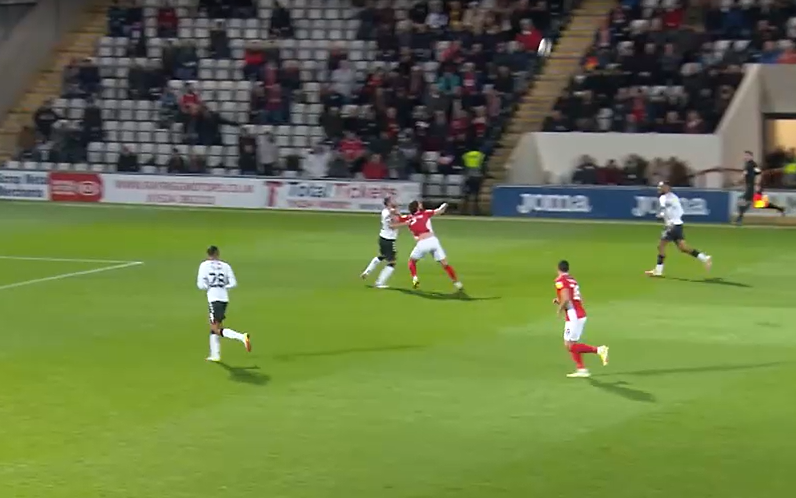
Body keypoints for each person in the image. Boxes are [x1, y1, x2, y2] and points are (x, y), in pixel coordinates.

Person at [553, 260, 609, 378]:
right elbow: (577, 298)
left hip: (574, 316)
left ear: (558, 269)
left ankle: (599, 350)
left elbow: (566, 298)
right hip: (578, 314)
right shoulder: (572, 280)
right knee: (571, 344)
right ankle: (581, 369)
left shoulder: (560, 281)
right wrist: (560, 301)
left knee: (570, 345)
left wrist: (559, 309)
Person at [196, 245, 251, 362]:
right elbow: (233, 283)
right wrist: (223, 287)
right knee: (215, 325)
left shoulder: (204, 265)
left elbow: (201, 285)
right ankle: (215, 355)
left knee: (215, 328)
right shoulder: (226, 266)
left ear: (208, 254)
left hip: (213, 298)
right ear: (218, 253)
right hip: (224, 299)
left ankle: (242, 337)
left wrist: (210, 287)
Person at [645, 182, 712, 277]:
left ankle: (658, 270)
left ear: (667, 187)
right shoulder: (674, 197)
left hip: (672, 226)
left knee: (661, 246)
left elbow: (664, 210)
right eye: (658, 186)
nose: (659, 188)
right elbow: (680, 211)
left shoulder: (664, 198)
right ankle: (705, 258)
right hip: (678, 225)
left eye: (661, 186)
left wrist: (663, 217)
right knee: (683, 248)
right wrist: (671, 218)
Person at [394, 200, 463, 291]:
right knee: (445, 264)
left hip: (422, 243)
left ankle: (415, 278)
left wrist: (395, 212)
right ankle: (457, 283)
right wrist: (445, 205)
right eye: (419, 204)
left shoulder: (409, 217)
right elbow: (440, 211)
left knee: (412, 262)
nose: (421, 204)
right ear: (417, 207)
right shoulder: (425, 213)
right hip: (433, 241)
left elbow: (398, 219)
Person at [360, 197, 401, 288]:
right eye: (393, 200)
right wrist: (406, 223)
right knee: (392, 262)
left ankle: (367, 271)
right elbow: (392, 226)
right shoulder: (389, 213)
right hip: (389, 240)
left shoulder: (386, 211)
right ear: (389, 203)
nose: (396, 201)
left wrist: (397, 213)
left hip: (383, 238)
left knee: (382, 256)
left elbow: (397, 217)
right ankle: (379, 283)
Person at [735, 150, 784, 224]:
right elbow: (755, 174)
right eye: (745, 155)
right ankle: (780, 209)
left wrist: (756, 184)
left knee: (742, 200)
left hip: (752, 188)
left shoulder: (750, 165)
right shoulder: (751, 165)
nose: (745, 157)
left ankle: (739, 219)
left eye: (747, 155)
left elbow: (756, 174)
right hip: (752, 187)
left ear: (751, 156)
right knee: (759, 204)